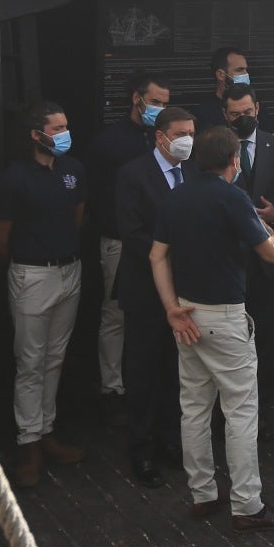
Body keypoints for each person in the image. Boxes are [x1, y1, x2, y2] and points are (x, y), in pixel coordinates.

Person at [151, 125, 274, 532]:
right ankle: (248, 505)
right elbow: (269, 254)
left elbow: (156, 256)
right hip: (226, 318)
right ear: (234, 160)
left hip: (186, 314)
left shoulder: (176, 197)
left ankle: (202, 495)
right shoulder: (234, 197)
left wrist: (171, 309)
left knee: (194, 408)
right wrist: (273, 232)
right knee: (240, 412)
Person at [0, 101, 87, 488]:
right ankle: (27, 442)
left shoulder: (74, 170)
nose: (64, 133)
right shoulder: (15, 179)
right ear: (36, 135)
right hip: (32, 275)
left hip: (70, 270)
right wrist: (29, 262)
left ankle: (46, 431)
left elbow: (78, 215)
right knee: (30, 361)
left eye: (66, 126)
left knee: (55, 357)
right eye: (56, 127)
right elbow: (0, 238)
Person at [115, 105, 197, 487]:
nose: (187, 141)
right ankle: (141, 449)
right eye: (181, 134)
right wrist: (173, 251)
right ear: (160, 135)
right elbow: (131, 233)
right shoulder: (134, 174)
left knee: (175, 371)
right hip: (146, 290)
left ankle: (171, 440)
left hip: (186, 290)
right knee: (144, 371)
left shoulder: (193, 172)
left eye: (192, 134)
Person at [85, 72, 171, 428]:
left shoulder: (163, 138)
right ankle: (113, 386)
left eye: (165, 104)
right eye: (155, 102)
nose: (159, 109)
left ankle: (151, 383)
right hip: (121, 240)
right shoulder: (110, 142)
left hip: (163, 244)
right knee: (115, 313)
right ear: (137, 99)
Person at [224, 83, 274, 413]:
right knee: (229, 340)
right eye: (235, 114)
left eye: (247, 112)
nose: (242, 118)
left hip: (267, 261)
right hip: (229, 261)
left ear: (258, 109)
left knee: (263, 338)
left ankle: (261, 409)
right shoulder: (217, 146)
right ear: (226, 115)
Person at [192, 45, 252, 132]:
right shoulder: (203, 113)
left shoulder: (257, 107)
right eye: (239, 70)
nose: (245, 74)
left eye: (246, 70)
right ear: (220, 74)